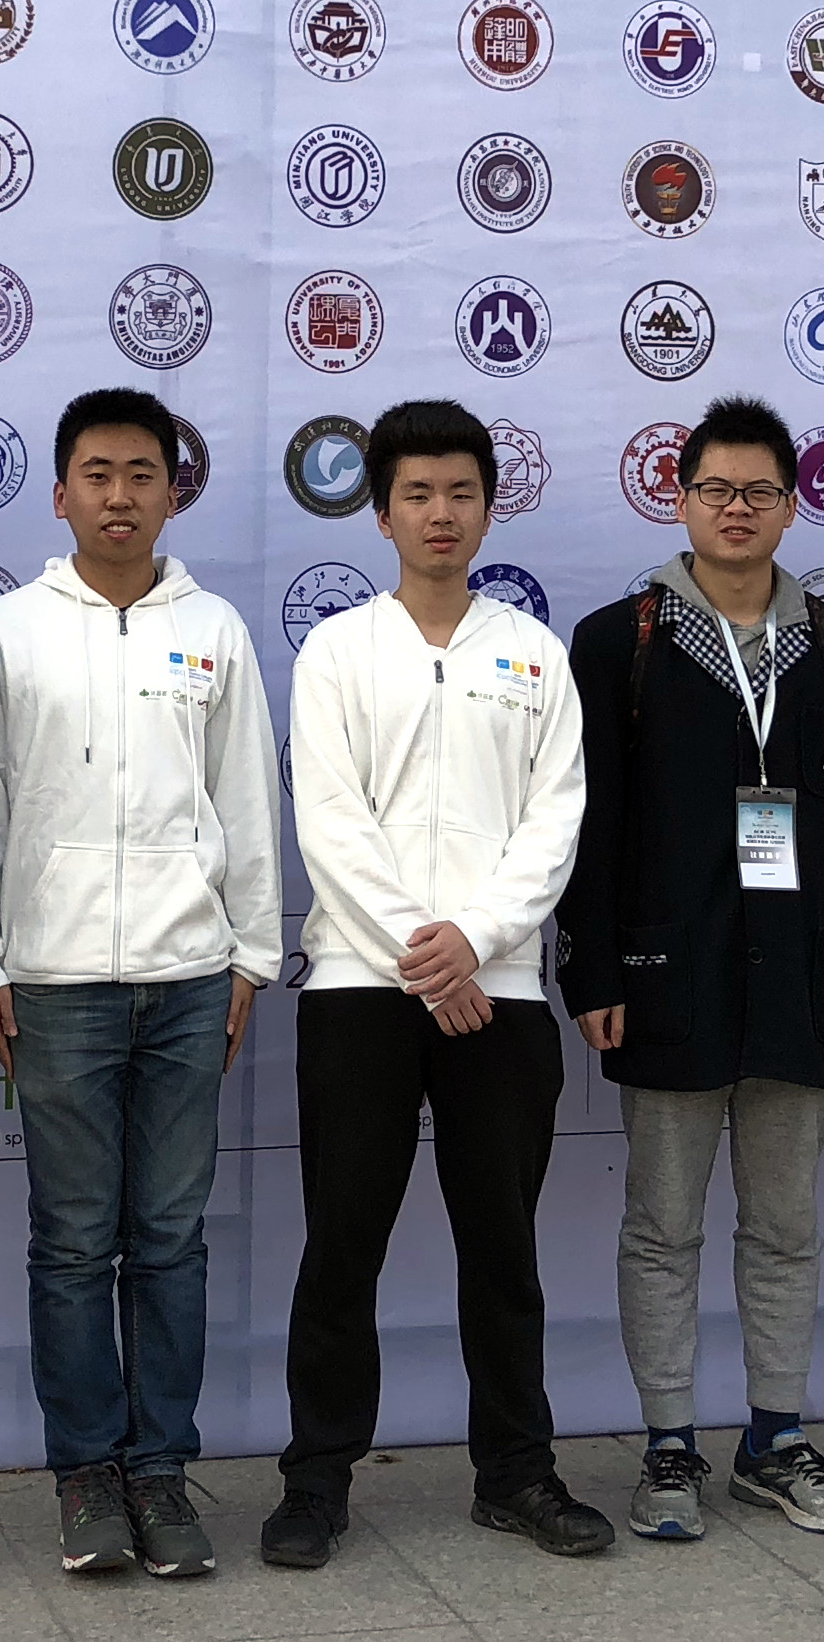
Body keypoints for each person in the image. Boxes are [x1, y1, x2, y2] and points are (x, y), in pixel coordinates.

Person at [262, 398, 610, 1568]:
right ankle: (316, 1477)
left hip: (500, 994)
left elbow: (555, 822)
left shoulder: (533, 653)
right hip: (360, 986)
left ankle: (517, 1471)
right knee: (341, 1245)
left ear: (489, 507)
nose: (440, 512)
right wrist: (424, 950)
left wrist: (479, 941)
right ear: (382, 512)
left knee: (504, 1251)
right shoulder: (337, 649)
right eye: (417, 493)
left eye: (461, 491)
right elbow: (330, 819)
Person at [559, 395, 824, 1541]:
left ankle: (775, 1436)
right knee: (662, 1225)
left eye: (761, 490)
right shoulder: (621, 642)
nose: (738, 507)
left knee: (786, 1225)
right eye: (717, 488)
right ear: (680, 498)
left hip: (805, 981)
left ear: (793, 505)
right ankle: (669, 1442)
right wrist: (594, 971)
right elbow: (592, 823)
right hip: (671, 975)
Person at [0, 389, 281, 1580]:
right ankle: (87, 1471)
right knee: (75, 1241)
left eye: (143, 473)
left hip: (191, 979)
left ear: (172, 492)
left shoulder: (216, 628)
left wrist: (252, 954)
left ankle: (161, 1468)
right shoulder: (10, 630)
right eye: (98, 473)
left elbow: (246, 797)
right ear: (60, 492)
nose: (120, 494)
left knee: (172, 1238)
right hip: (56, 981)